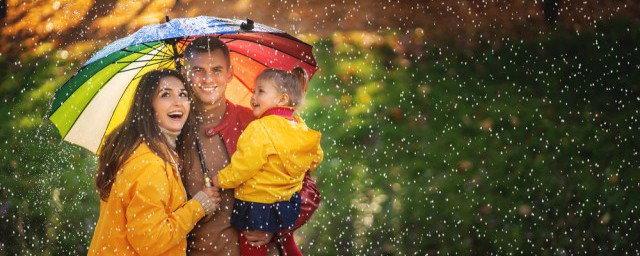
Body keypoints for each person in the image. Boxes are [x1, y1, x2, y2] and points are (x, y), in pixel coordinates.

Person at [181, 36, 321, 256]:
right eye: (198, 70)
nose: (208, 79)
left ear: (230, 74)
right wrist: (196, 207)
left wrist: (275, 226)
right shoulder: (174, 132)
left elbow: (307, 188)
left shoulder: (258, 122)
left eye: (217, 69)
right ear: (185, 74)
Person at [88, 69, 221, 255]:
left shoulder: (150, 152)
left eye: (183, 94)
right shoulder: (149, 164)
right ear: (148, 105)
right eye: (165, 94)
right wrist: (197, 206)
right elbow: (150, 241)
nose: (177, 102)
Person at [211, 68, 323, 256]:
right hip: (288, 201)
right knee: (288, 244)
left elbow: (244, 166)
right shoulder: (299, 125)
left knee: (251, 247)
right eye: (254, 91)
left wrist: (221, 180)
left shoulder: (260, 128)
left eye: (260, 91)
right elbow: (316, 156)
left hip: (257, 204)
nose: (253, 97)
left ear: (282, 99)